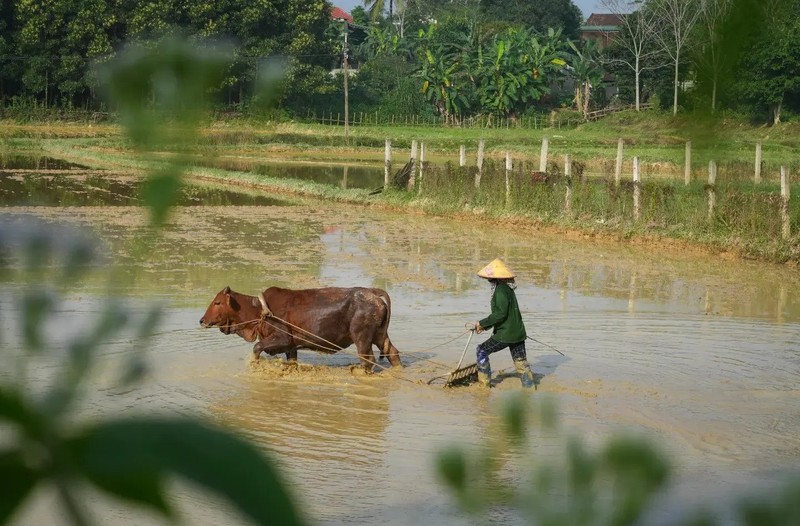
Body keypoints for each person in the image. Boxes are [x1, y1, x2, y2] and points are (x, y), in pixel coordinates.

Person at [472, 258, 535, 388]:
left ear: (494, 279)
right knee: (521, 363)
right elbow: (505, 314)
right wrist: (484, 326)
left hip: (506, 334)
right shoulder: (508, 289)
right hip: (518, 333)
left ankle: (484, 386)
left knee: (481, 350)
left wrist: (482, 323)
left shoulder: (500, 290)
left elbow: (500, 314)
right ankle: (529, 389)